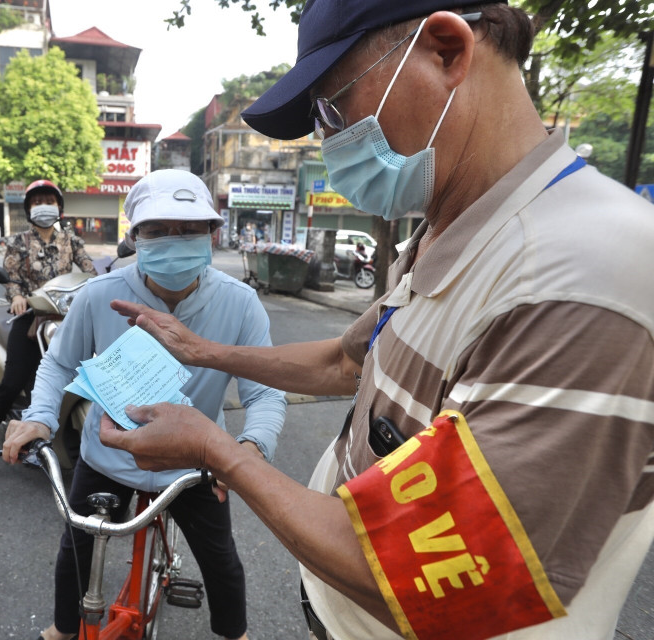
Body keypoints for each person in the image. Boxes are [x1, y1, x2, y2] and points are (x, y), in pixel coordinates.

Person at [99, 3, 654, 640]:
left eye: (334, 109)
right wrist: (205, 354)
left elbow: (434, 577)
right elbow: (348, 361)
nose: (328, 141)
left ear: (445, 50)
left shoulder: (580, 275)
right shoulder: (452, 228)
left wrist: (214, 449)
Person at [2, 170, 287, 640]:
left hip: (195, 466)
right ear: (134, 237)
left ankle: (235, 634)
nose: (173, 240)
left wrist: (251, 449)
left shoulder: (241, 304)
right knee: (75, 552)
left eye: (189, 228)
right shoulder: (98, 296)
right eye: (156, 230)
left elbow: (266, 390)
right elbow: (57, 365)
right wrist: (38, 418)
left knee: (223, 564)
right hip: (108, 456)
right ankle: (61, 629)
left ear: (212, 234)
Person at [0, 179, 96, 474]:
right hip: (30, 316)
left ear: (59, 207)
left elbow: (90, 271)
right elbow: (11, 277)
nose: (44, 206)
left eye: (49, 200)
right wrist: (17, 296)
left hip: (65, 317)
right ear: (29, 209)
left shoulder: (72, 240)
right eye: (37, 201)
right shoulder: (18, 242)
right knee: (13, 382)